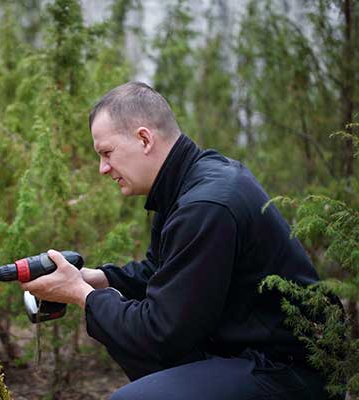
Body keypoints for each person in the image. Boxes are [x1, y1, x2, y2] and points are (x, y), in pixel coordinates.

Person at [21, 81, 333, 399]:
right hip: (248, 353)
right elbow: (162, 273)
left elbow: (161, 333)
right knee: (132, 344)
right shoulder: (187, 183)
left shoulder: (207, 205)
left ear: (144, 138)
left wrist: (80, 294)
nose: (103, 168)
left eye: (106, 153)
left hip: (289, 372)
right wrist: (94, 279)